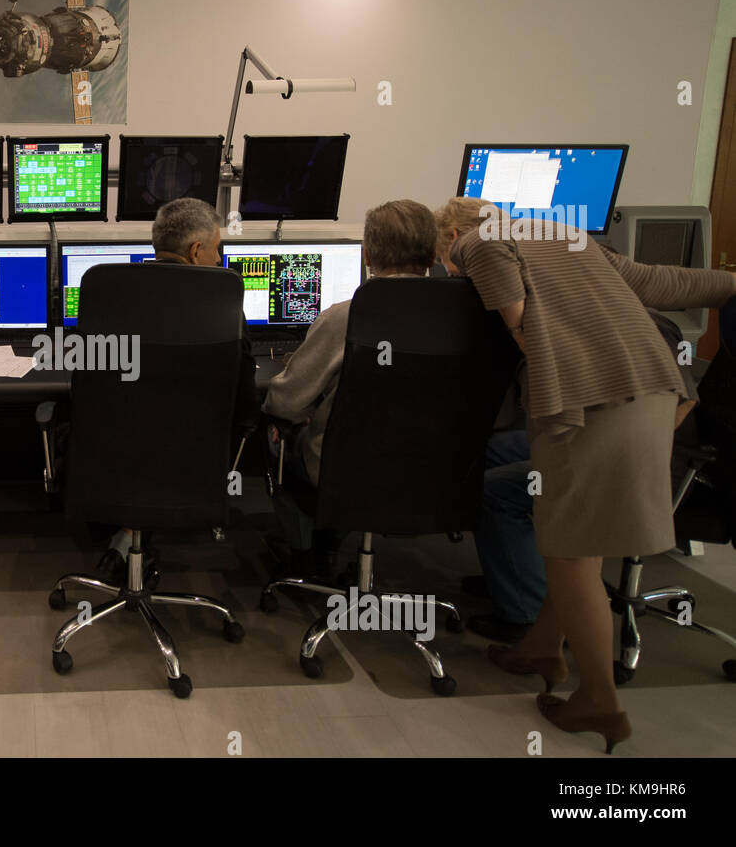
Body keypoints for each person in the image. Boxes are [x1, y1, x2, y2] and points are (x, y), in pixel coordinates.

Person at [435, 196, 736, 752]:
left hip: (587, 402)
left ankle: (599, 699)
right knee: (582, 534)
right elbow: (663, 283)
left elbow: (521, 321)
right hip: (655, 391)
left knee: (569, 548)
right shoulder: (566, 235)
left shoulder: (476, 243)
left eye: (447, 261)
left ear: (451, 233)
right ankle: (541, 650)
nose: (453, 270)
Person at [466, 309, 700, 643]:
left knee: (494, 492)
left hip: (642, 466)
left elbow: (685, 401)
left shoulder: (651, 326)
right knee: (489, 450)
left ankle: (524, 613)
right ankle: (511, 569)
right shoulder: (585, 318)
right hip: (592, 442)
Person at [262, 200, 439, 577]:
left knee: (275, 432)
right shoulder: (464, 313)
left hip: (345, 469)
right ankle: (336, 541)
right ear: (434, 252)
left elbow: (285, 401)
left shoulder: (347, 315)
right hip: (433, 468)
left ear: (368, 254)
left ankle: (305, 552)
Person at [99, 198, 257, 566]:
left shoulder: (113, 293)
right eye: (217, 250)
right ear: (197, 250)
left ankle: (126, 534)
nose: (219, 260)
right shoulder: (224, 304)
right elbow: (246, 397)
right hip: (197, 458)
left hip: (116, 454)